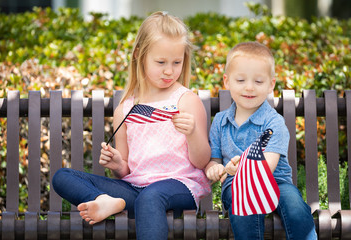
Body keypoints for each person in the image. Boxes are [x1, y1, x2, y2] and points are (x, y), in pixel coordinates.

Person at [52, 11, 211, 240]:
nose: (169, 70)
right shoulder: (125, 109)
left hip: (180, 185)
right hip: (136, 189)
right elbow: (125, 171)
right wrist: (117, 164)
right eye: (161, 62)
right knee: (62, 176)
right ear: (139, 56)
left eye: (177, 62)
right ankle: (104, 201)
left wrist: (193, 132)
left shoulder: (186, 100)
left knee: (151, 197)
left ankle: (120, 203)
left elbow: (201, 161)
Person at [204, 41, 317, 240]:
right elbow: (215, 160)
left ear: (270, 85)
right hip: (236, 185)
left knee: (296, 209)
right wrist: (213, 168)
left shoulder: (274, 122)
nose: (249, 87)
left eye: (258, 81)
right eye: (240, 80)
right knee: (243, 201)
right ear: (227, 81)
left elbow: (266, 167)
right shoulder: (220, 122)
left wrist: (238, 168)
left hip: (277, 182)